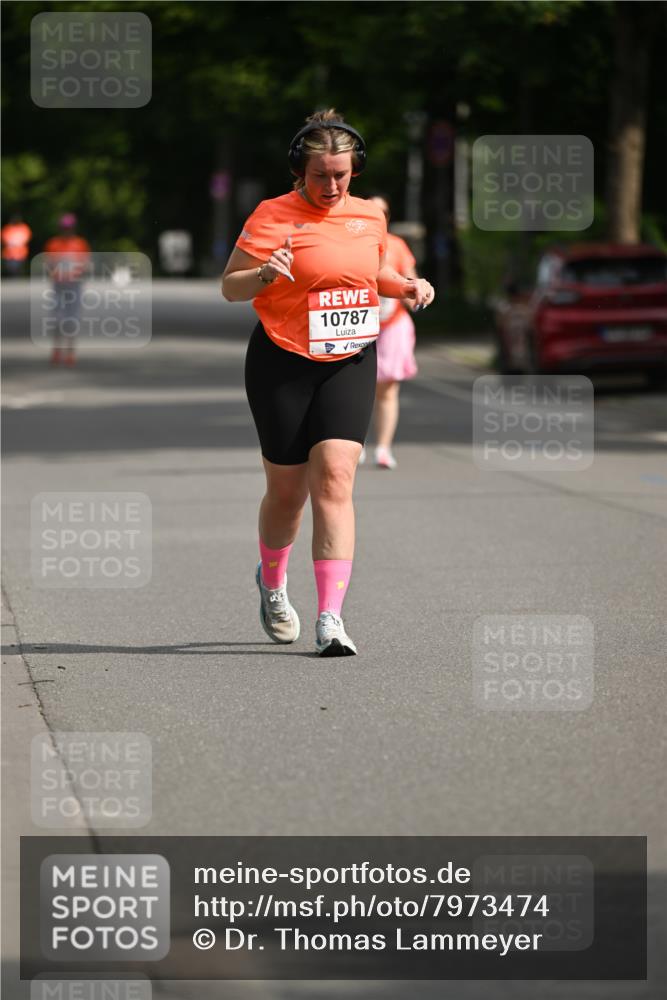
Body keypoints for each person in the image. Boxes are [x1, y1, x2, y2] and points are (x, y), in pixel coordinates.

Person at [222, 109, 435, 657]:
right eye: (321, 175)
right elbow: (231, 287)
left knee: (337, 478)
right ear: (300, 169)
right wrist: (265, 273)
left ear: (354, 170)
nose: (332, 185)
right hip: (282, 359)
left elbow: (371, 274)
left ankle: (331, 618)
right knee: (287, 493)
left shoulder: (368, 216)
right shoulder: (272, 215)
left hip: (350, 358)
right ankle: (273, 583)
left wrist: (407, 285)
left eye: (341, 174)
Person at [360, 195, 419, 469]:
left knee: (387, 389)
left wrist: (416, 294)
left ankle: (383, 448)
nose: (377, 215)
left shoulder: (396, 245)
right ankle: (354, 445)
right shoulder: (352, 242)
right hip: (356, 325)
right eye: (371, 210)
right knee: (357, 389)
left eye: (382, 212)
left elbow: (409, 278)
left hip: (392, 324)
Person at [43, 213, 91, 366]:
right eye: (64, 228)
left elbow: (86, 264)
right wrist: (56, 271)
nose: (67, 231)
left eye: (69, 228)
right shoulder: (54, 243)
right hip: (59, 286)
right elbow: (48, 264)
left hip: (74, 286)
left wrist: (79, 271)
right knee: (57, 319)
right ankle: (57, 350)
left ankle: (70, 352)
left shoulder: (80, 244)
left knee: (72, 320)